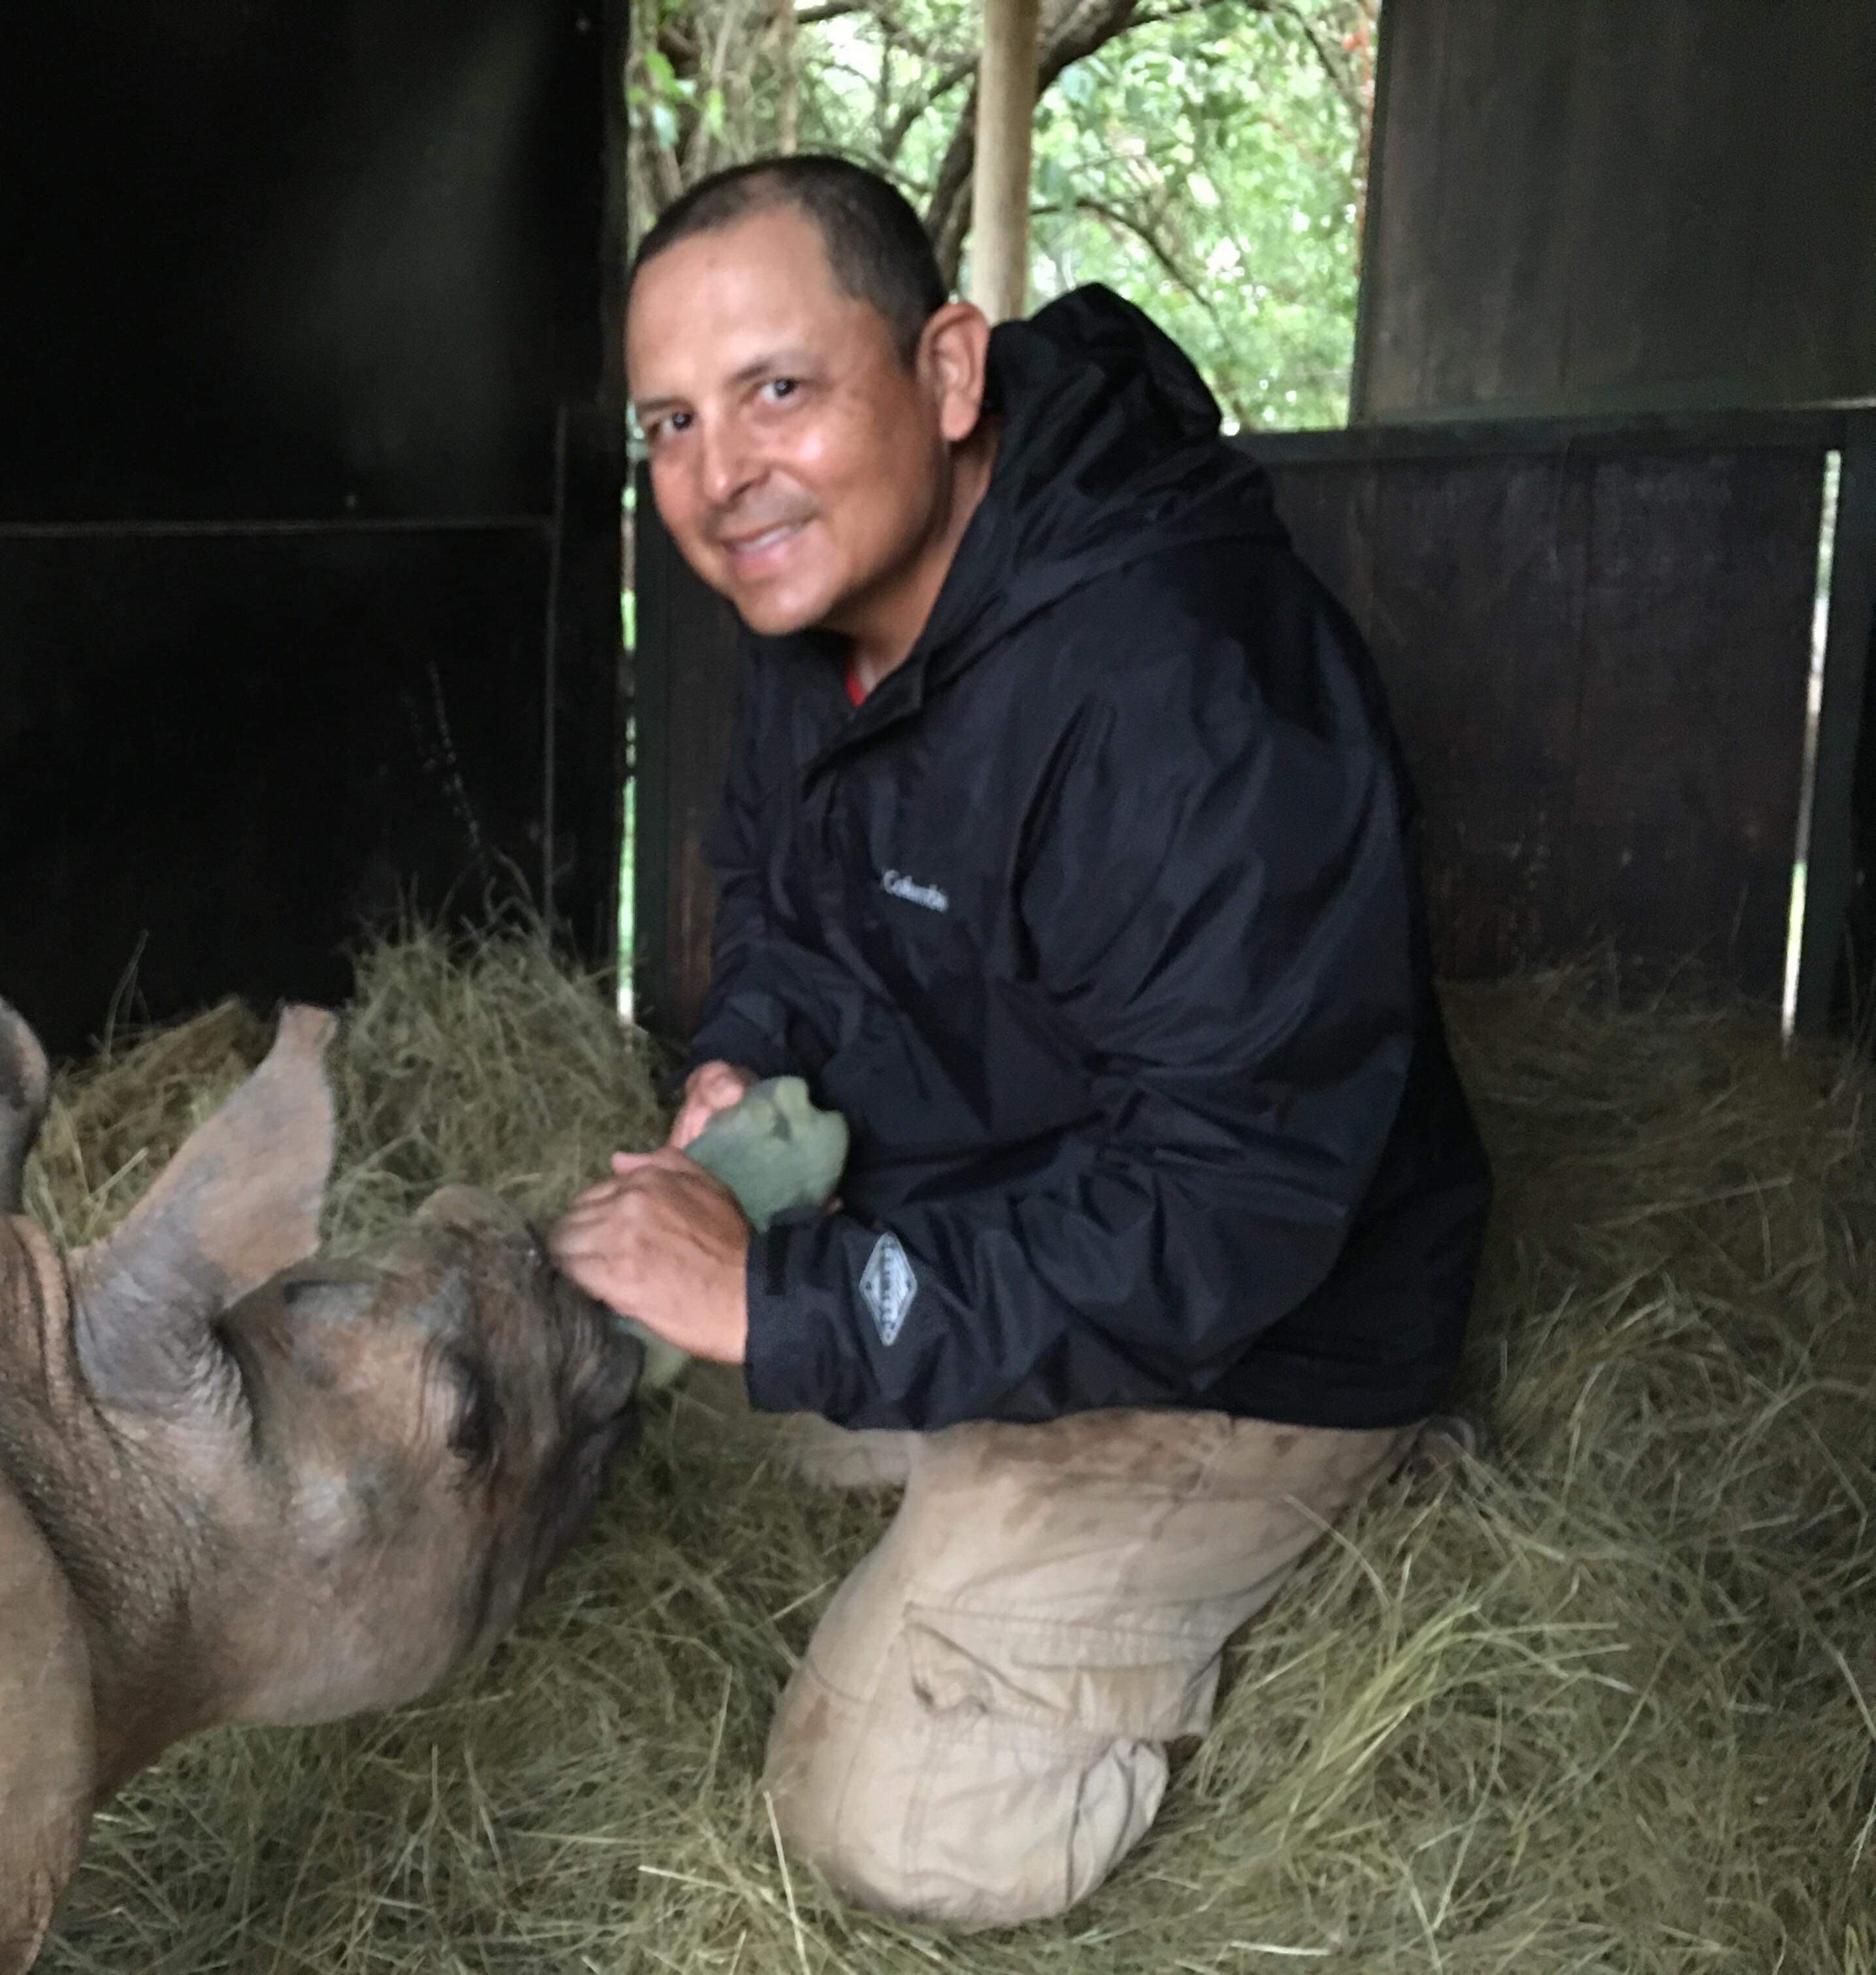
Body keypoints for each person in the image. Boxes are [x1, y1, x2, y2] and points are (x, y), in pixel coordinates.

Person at [549, 155, 1492, 1931]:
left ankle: (1327, 1507)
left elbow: (1228, 1211)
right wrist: (738, 1058)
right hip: (995, 1204)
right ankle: (966, 1492)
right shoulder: (809, 591)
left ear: (952, 372)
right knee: (652, 1420)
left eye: (777, 390)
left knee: (883, 1832)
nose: (716, 476)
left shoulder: (1179, 694)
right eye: (668, 423)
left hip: (1254, 1337)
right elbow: (775, 897)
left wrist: (793, 1306)